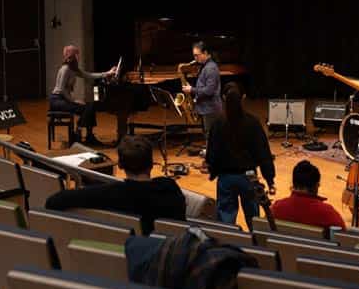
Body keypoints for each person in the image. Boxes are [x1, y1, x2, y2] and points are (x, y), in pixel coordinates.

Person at [45, 135, 186, 234]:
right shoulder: (170, 188)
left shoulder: (110, 192)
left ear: (120, 165)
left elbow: (53, 201)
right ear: (151, 164)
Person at [206, 83, 276, 225]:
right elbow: (263, 154)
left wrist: (212, 171)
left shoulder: (218, 124)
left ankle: (227, 245)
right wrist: (270, 180)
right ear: (243, 98)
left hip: (225, 178)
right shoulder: (253, 123)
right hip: (249, 179)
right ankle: (255, 245)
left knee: (226, 221)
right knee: (254, 220)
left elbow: (212, 153)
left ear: (223, 98)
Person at [50, 44, 114, 147]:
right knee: (86, 107)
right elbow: (61, 90)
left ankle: (89, 135)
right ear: (71, 56)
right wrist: (74, 101)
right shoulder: (65, 69)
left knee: (91, 106)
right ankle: (78, 132)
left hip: (63, 99)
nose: (78, 57)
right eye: (76, 54)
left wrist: (107, 73)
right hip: (57, 100)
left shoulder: (74, 69)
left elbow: (88, 75)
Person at [271, 160, 346, 229]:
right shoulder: (328, 213)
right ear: (316, 186)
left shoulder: (277, 208)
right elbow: (343, 237)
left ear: (293, 184)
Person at [182, 40, 222, 133]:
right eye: (194, 55)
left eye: (197, 55)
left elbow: (209, 91)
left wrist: (192, 89)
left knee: (211, 136)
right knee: (207, 135)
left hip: (211, 109)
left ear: (205, 53)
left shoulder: (211, 68)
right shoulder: (205, 66)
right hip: (206, 108)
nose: (195, 58)